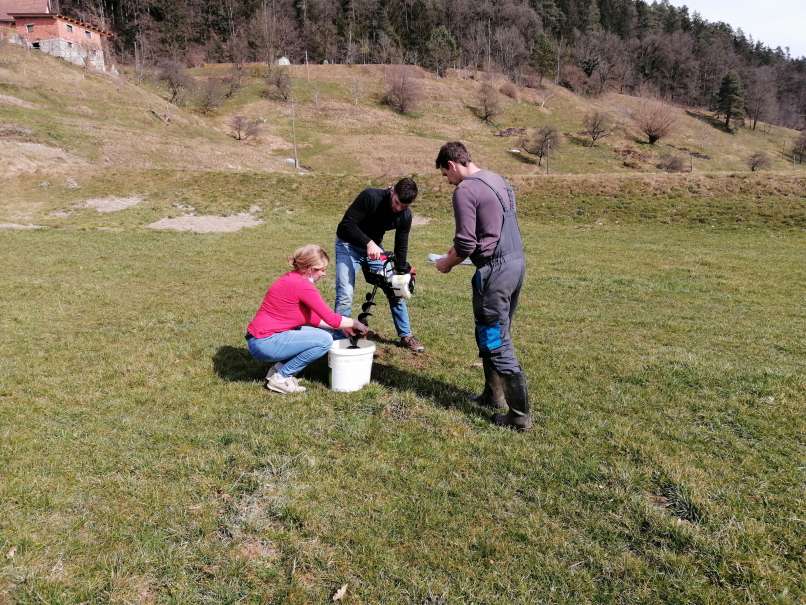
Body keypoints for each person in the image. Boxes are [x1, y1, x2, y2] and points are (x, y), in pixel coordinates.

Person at [434, 141, 532, 431]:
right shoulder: (497, 178)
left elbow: (465, 242)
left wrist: (446, 263)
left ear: (452, 165)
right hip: (516, 265)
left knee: (495, 338)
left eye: (445, 175)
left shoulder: (465, 189)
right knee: (496, 331)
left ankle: (519, 415)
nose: (447, 181)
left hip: (496, 273)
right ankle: (493, 394)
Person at [246, 244, 367, 394]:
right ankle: (282, 377)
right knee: (325, 340)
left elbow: (313, 318)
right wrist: (355, 323)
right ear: (310, 269)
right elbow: (332, 319)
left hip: (259, 339)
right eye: (322, 269)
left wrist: (343, 326)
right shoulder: (303, 286)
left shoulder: (292, 278)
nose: (324, 274)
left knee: (317, 334)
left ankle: (276, 371)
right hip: (265, 342)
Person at [334, 177, 425, 352]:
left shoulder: (405, 215)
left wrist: (403, 271)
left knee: (395, 288)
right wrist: (368, 242)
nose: (398, 208)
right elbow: (346, 225)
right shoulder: (370, 197)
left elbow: (401, 246)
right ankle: (339, 338)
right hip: (348, 245)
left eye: (404, 206)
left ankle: (406, 335)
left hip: (375, 250)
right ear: (392, 191)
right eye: (397, 202)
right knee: (345, 292)